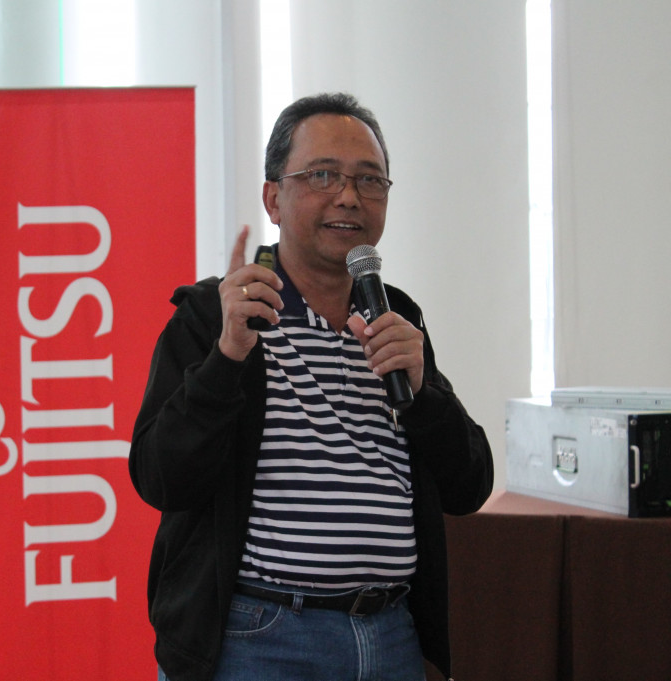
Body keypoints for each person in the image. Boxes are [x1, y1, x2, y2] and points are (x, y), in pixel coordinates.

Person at [128, 92, 494, 681]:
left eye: (370, 180)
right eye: (323, 175)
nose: (349, 196)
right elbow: (160, 476)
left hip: (389, 634)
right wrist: (227, 358)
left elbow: (469, 485)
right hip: (257, 637)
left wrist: (425, 394)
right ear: (273, 198)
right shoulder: (218, 315)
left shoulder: (396, 317)